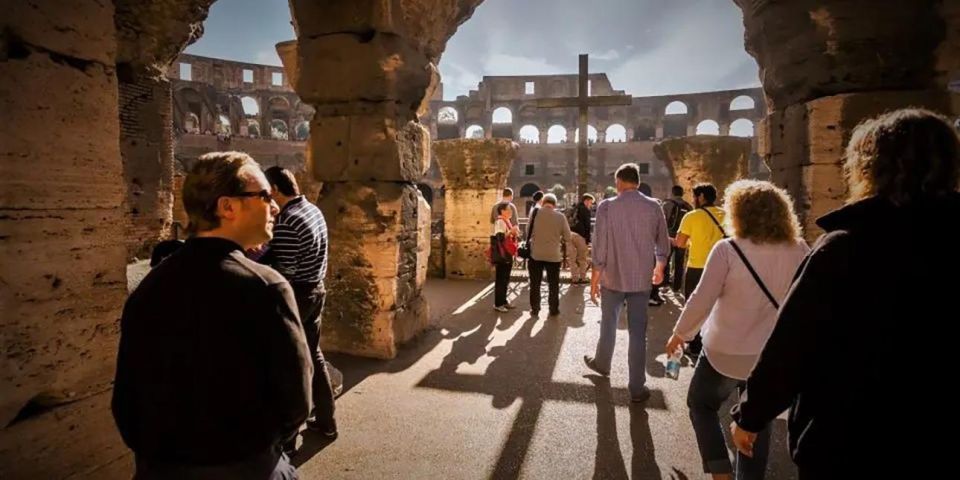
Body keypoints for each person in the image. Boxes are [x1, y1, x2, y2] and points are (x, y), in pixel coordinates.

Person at [730, 108, 960, 477]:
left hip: (852, 437)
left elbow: (792, 343)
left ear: (868, 167)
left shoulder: (846, 246)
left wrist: (751, 415)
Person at [112, 151, 311, 479]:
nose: (275, 206)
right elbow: (296, 403)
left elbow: (127, 399)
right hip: (245, 466)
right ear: (227, 207)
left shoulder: (150, 286)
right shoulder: (266, 288)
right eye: (264, 196)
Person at [666, 180, 809, 480]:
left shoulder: (728, 249)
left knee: (701, 404)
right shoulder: (799, 249)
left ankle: (720, 472)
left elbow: (701, 299)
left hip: (725, 351)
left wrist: (681, 334)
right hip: (770, 355)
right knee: (756, 419)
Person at [262, 167, 338, 441]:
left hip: (297, 296)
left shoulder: (288, 221)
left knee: (289, 364)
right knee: (314, 357)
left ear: (274, 189)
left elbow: (285, 272)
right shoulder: (313, 210)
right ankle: (327, 421)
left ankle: (289, 437)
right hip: (316, 290)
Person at [584, 163, 670, 403]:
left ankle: (602, 363)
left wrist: (594, 278)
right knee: (638, 333)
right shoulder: (654, 206)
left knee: (608, 323)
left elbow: (599, 245)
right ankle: (636, 387)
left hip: (612, 277)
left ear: (618, 182)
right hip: (641, 280)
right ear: (638, 182)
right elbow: (662, 242)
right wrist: (660, 266)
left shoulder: (607, 207)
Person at [674, 183, 726, 358]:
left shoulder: (692, 216)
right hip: (724, 267)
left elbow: (680, 243)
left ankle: (696, 345)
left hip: (697, 267)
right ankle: (715, 344)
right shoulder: (727, 215)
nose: (693, 200)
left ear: (701, 197)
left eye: (694, 196)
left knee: (695, 306)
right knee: (718, 306)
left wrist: (692, 241)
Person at [528, 193, 571, 316]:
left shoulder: (534, 214)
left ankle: (535, 308)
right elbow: (568, 237)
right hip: (554, 255)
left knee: (535, 283)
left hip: (536, 253)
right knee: (553, 283)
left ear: (543, 202)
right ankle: (553, 309)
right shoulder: (561, 217)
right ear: (555, 204)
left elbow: (528, 233)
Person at [662, 185, 693, 291]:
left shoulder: (667, 204)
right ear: (682, 193)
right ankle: (677, 287)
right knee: (679, 263)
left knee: (666, 259)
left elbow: (661, 221)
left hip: (668, 236)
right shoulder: (688, 206)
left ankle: (664, 284)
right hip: (683, 238)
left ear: (672, 193)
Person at [492, 203, 520, 312]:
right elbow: (500, 237)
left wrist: (514, 233)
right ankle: (498, 304)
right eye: (509, 210)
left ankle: (503, 301)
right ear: (502, 211)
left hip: (507, 253)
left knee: (505, 279)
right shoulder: (500, 221)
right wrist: (511, 232)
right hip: (502, 254)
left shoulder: (506, 221)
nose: (511, 212)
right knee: (501, 279)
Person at [567, 194, 595, 284]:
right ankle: (583, 278)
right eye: (590, 202)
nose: (591, 205)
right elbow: (587, 225)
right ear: (586, 201)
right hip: (580, 235)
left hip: (570, 234)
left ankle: (574, 278)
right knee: (582, 258)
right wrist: (588, 239)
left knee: (572, 258)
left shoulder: (574, 208)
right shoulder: (585, 210)